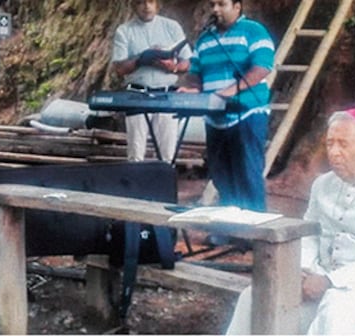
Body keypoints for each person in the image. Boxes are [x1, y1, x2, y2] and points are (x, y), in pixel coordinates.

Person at [226, 108, 355, 334]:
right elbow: (310, 235)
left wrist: (330, 280)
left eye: (343, 144)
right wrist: (303, 270)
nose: (333, 152)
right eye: (329, 143)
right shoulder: (323, 184)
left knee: (337, 310)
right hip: (320, 275)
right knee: (256, 296)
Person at [186, 0, 274, 210]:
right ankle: (229, 228)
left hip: (247, 112)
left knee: (248, 172)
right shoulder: (205, 38)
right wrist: (194, 90)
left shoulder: (254, 30)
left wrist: (232, 90)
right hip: (214, 115)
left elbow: (263, 66)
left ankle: (254, 230)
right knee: (221, 175)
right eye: (212, 4)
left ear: (237, 7)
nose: (215, 9)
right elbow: (194, 72)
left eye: (222, 4)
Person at [111, 0, 193, 161]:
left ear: (158, 4)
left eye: (150, 2)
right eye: (141, 2)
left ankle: (163, 183)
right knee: (136, 153)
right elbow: (119, 68)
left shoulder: (172, 27)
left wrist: (172, 67)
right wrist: (141, 59)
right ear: (134, 5)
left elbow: (188, 62)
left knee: (167, 154)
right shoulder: (124, 30)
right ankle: (135, 183)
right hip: (137, 94)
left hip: (166, 94)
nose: (146, 7)